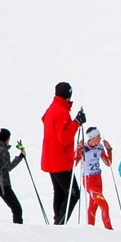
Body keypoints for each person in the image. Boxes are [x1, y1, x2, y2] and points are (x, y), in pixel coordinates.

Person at [41, 82, 85, 225]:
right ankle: (59, 224)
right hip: (60, 160)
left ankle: (57, 225)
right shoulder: (62, 112)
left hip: (50, 158)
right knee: (73, 193)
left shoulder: (52, 108)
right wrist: (76, 122)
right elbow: (64, 139)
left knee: (59, 192)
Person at [76, 127, 113, 230]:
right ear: (92, 137)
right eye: (98, 136)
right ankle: (109, 230)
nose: (100, 138)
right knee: (104, 205)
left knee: (93, 206)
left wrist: (109, 149)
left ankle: (90, 229)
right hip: (89, 181)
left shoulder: (100, 147)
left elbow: (108, 163)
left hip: (98, 179)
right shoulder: (84, 148)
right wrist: (79, 148)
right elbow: (74, 162)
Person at [0, 128, 25, 223]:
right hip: (2, 185)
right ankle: (18, 229)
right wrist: (20, 157)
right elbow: (7, 167)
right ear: (6, 139)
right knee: (17, 209)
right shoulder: (3, 151)